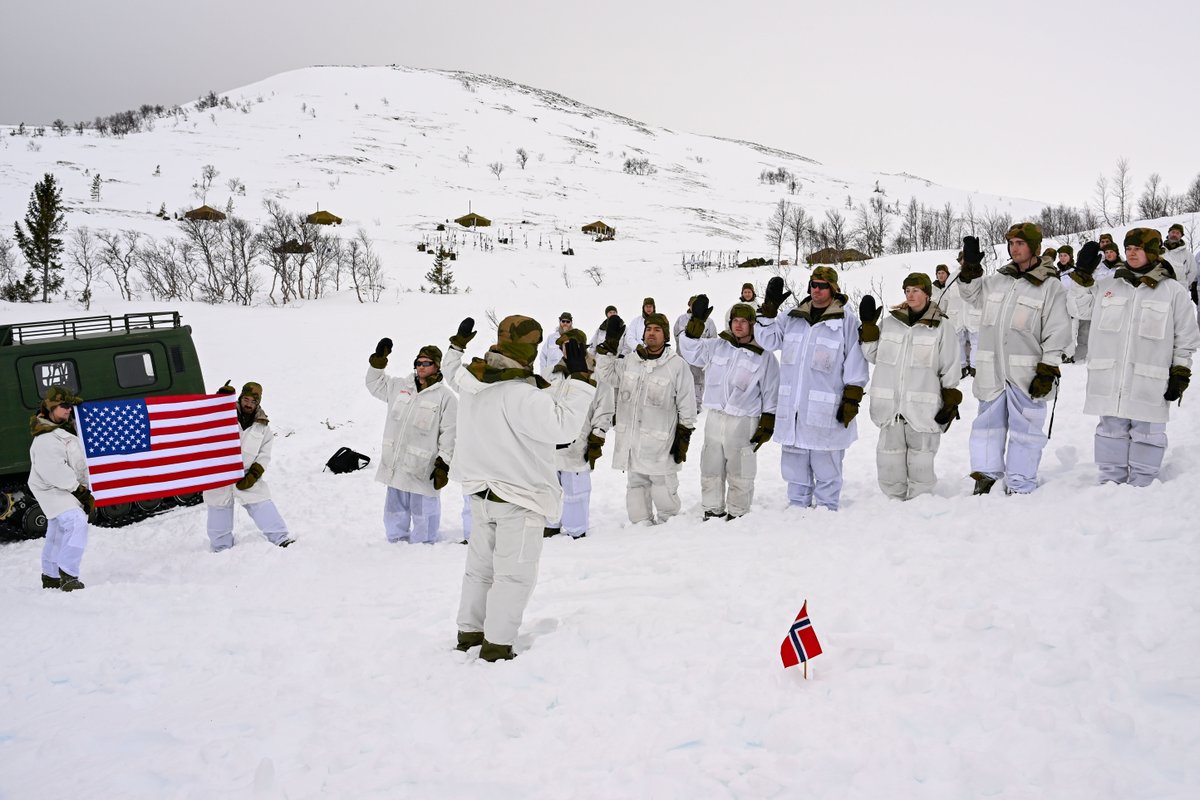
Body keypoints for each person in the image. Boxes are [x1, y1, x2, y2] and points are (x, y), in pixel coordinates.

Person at [446, 315, 597, 662]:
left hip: (481, 494)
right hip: (518, 497)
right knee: (513, 577)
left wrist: (456, 346)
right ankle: (497, 645)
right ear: (526, 347)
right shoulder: (519, 393)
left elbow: (452, 368)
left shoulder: (473, 381)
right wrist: (581, 380)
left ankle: (470, 631)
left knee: (479, 570)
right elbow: (563, 428)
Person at [956, 224, 1071, 495]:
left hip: (1026, 373)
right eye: (1011, 243)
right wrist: (970, 268)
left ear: (1034, 247)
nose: (1014, 248)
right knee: (986, 427)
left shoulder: (1049, 286)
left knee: (1026, 430)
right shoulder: (999, 280)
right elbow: (971, 295)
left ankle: (1021, 482)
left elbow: (1058, 330)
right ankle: (986, 478)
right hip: (992, 370)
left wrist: (1048, 367)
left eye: (1020, 243)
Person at [1085, 228, 1200, 485]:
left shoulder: (1173, 291)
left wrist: (1181, 370)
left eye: (1138, 248)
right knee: (1110, 430)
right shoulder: (1109, 285)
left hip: (1151, 378)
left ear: (1151, 251)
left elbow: (1186, 338)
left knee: (1148, 432)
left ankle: (1143, 485)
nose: (1131, 253)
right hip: (1112, 378)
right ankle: (1109, 483)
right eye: (1128, 249)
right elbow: (1079, 307)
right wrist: (1082, 278)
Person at [755, 267, 869, 511]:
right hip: (792, 410)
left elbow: (856, 361)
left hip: (826, 410)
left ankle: (827, 510)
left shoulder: (846, 321)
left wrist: (852, 397)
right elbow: (768, 340)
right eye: (813, 284)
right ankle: (797, 510)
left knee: (827, 465)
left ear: (833, 289)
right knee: (794, 467)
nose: (816, 290)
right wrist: (767, 312)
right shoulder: (792, 317)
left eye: (822, 285)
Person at [858, 274, 961, 500]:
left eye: (916, 290)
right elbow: (874, 355)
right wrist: (868, 330)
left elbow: (950, 365)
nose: (911, 295)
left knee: (921, 464)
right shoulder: (890, 323)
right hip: (890, 410)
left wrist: (951, 397)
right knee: (888, 464)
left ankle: (919, 507)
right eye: (907, 290)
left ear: (927, 293)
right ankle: (894, 505)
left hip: (923, 409)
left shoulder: (941, 326)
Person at [677, 297, 780, 519]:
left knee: (740, 468)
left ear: (752, 325)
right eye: (735, 320)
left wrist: (768, 420)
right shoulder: (717, 346)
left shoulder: (765, 356)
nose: (739, 325)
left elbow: (772, 390)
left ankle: (738, 511)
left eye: (744, 321)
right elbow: (689, 350)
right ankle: (712, 509)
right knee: (711, 466)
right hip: (715, 417)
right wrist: (695, 325)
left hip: (743, 420)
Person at [595, 310, 697, 525]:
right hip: (632, 444)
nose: (652, 333)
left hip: (661, 445)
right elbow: (606, 375)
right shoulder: (631, 361)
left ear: (665, 335)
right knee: (636, 490)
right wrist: (608, 350)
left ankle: (669, 527)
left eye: (657, 330)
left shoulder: (677, 366)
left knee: (663, 489)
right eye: (648, 329)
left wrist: (684, 435)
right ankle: (640, 528)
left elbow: (687, 404)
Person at [365, 339, 457, 543]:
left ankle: (425, 543)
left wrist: (444, 464)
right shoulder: (399, 386)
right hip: (395, 464)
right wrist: (378, 362)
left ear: (436, 366)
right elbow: (374, 384)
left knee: (424, 510)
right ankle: (396, 541)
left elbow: (450, 433)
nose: (421, 367)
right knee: (395, 508)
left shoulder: (445, 397)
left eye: (426, 363)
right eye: (418, 362)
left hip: (423, 467)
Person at [203, 382, 294, 551]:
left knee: (262, 504)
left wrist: (254, 474)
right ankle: (220, 547)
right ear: (240, 398)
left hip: (246, 474)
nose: (249, 404)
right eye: (246, 399)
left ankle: (280, 537)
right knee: (218, 508)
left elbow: (264, 455)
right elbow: (207, 420)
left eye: (253, 401)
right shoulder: (224, 414)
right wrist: (220, 400)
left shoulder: (263, 428)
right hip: (220, 472)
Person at [543, 328, 615, 538]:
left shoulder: (596, 376)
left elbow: (605, 410)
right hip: (550, 445)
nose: (567, 350)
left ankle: (576, 529)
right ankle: (551, 523)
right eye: (564, 346)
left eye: (571, 346)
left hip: (578, 445)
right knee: (550, 488)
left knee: (577, 492)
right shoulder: (550, 374)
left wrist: (597, 438)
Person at [28, 386, 91, 591]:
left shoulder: (60, 430)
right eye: (64, 406)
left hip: (62, 487)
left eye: (70, 406)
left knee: (58, 530)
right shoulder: (46, 437)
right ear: (51, 408)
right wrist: (80, 491)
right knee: (76, 522)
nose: (68, 409)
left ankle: (51, 575)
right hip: (52, 487)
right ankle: (68, 574)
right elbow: (53, 470)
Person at [934, 262, 978, 378]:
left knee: (973, 342)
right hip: (958, 315)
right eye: (938, 273)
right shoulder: (953, 278)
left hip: (970, 315)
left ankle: (972, 367)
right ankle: (964, 367)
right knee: (961, 343)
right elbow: (945, 299)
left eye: (942, 273)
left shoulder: (976, 275)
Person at [674, 296, 717, 412]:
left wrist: (702, 345)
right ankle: (680, 405)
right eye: (693, 304)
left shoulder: (709, 322)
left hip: (700, 359)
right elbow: (678, 336)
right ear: (689, 305)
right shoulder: (681, 319)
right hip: (683, 358)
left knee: (697, 382)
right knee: (681, 382)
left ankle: (697, 405)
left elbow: (713, 338)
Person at [1062, 242, 1099, 364]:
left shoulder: (1107, 274)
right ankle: (1070, 355)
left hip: (1092, 312)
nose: (1062, 258)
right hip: (1073, 307)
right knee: (1071, 332)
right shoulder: (1070, 274)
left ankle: (1080, 357)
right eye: (1060, 255)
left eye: (1065, 255)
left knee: (1085, 334)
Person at [1161, 223, 1196, 296]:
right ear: (1169, 233)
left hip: (1179, 294)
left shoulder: (1187, 255)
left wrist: (1184, 285)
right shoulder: (1159, 251)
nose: (1175, 235)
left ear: (1181, 236)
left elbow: (1193, 272)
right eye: (1173, 232)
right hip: (1159, 292)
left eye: (1178, 233)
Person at [538, 312, 574, 378]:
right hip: (551, 375)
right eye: (563, 321)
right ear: (560, 322)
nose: (565, 323)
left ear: (571, 323)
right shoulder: (551, 338)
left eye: (568, 322)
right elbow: (543, 356)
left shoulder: (575, 339)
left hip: (569, 376)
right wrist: (543, 373)